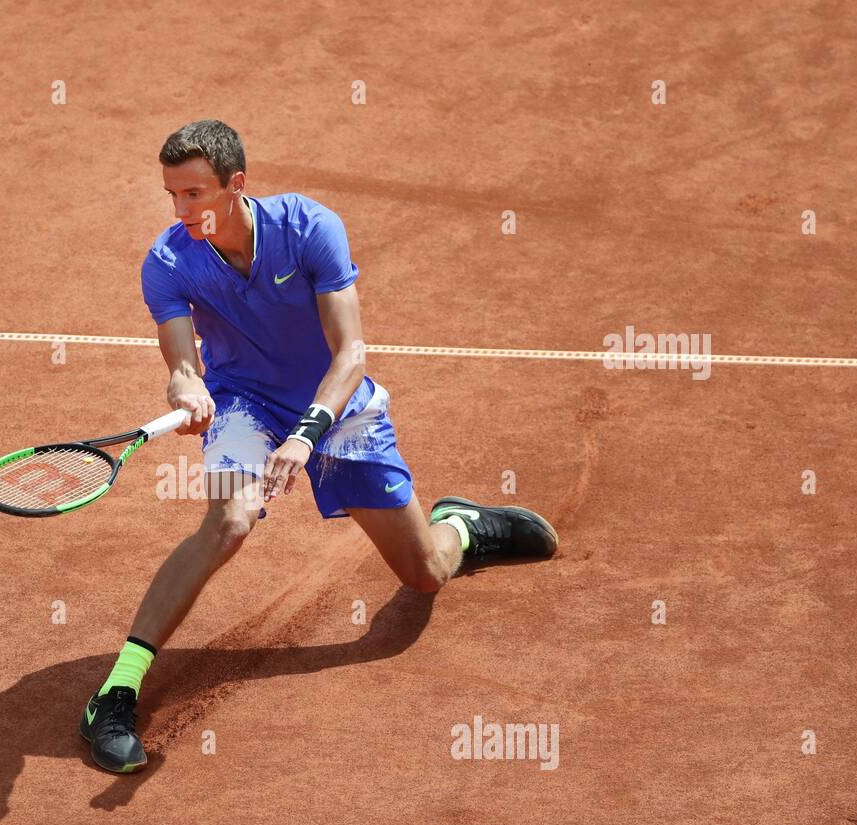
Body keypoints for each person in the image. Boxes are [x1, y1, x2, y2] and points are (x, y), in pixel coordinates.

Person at [80, 119, 558, 773]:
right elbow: (182, 360)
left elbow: (351, 356)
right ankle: (116, 691)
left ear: (235, 185)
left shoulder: (309, 228)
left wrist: (307, 436)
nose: (181, 210)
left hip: (334, 404)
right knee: (227, 520)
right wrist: (186, 387)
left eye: (194, 194)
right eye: (172, 195)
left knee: (424, 574)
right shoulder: (168, 261)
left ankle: (463, 529)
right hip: (242, 405)